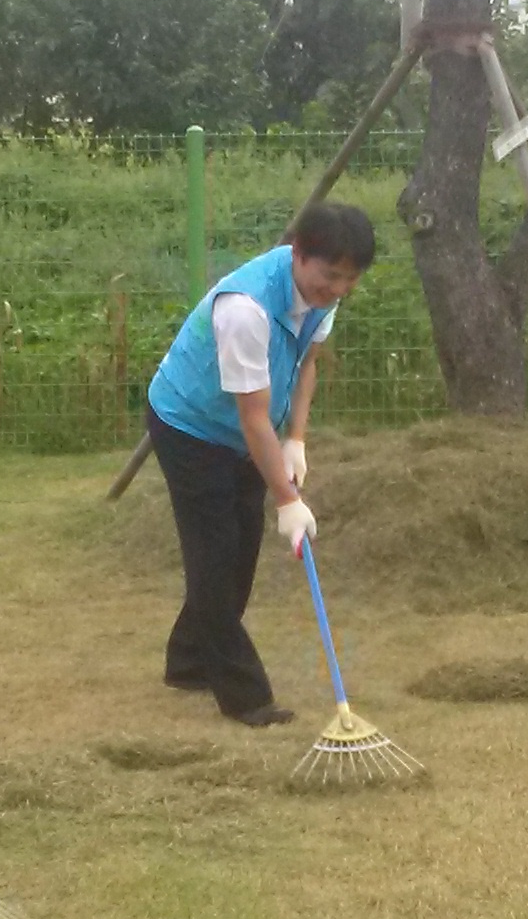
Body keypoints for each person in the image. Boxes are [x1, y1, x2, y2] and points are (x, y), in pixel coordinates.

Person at [142, 199, 377, 726]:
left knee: (242, 549)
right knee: (215, 555)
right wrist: (287, 499)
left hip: (247, 427)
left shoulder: (321, 296)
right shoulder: (245, 309)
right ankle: (245, 696)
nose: (339, 288)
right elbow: (251, 418)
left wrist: (296, 440)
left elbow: (307, 362)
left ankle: (188, 661)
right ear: (298, 254)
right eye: (330, 275)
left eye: (350, 279)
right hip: (189, 424)